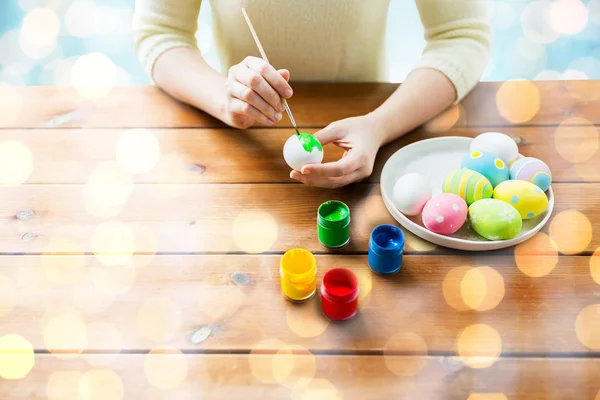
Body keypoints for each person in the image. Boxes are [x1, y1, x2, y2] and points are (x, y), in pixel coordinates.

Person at [132, 0, 491, 188]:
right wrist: (225, 98)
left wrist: (380, 125)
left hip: (371, 133)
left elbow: (462, 37)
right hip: (236, 151)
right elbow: (161, 32)